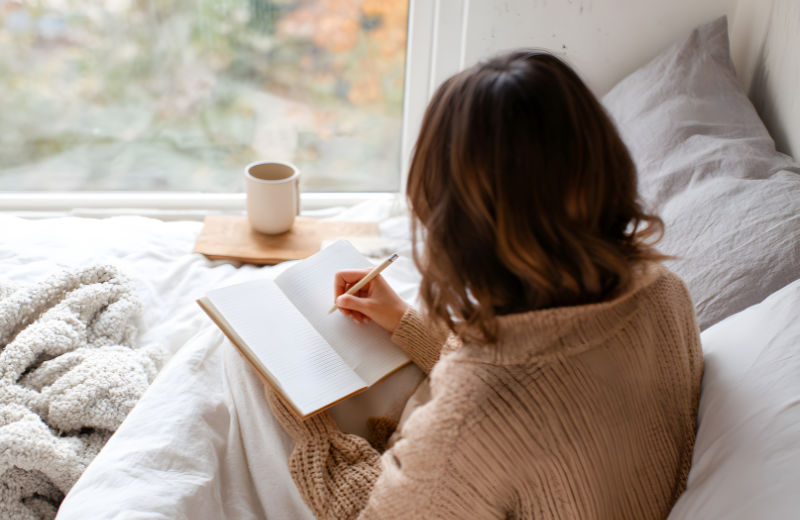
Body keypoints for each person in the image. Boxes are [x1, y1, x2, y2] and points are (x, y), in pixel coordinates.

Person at [265, 51, 703, 519]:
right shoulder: (664, 292)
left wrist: (314, 435)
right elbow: (549, 367)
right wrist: (407, 323)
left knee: (238, 373)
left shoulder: (475, 415)